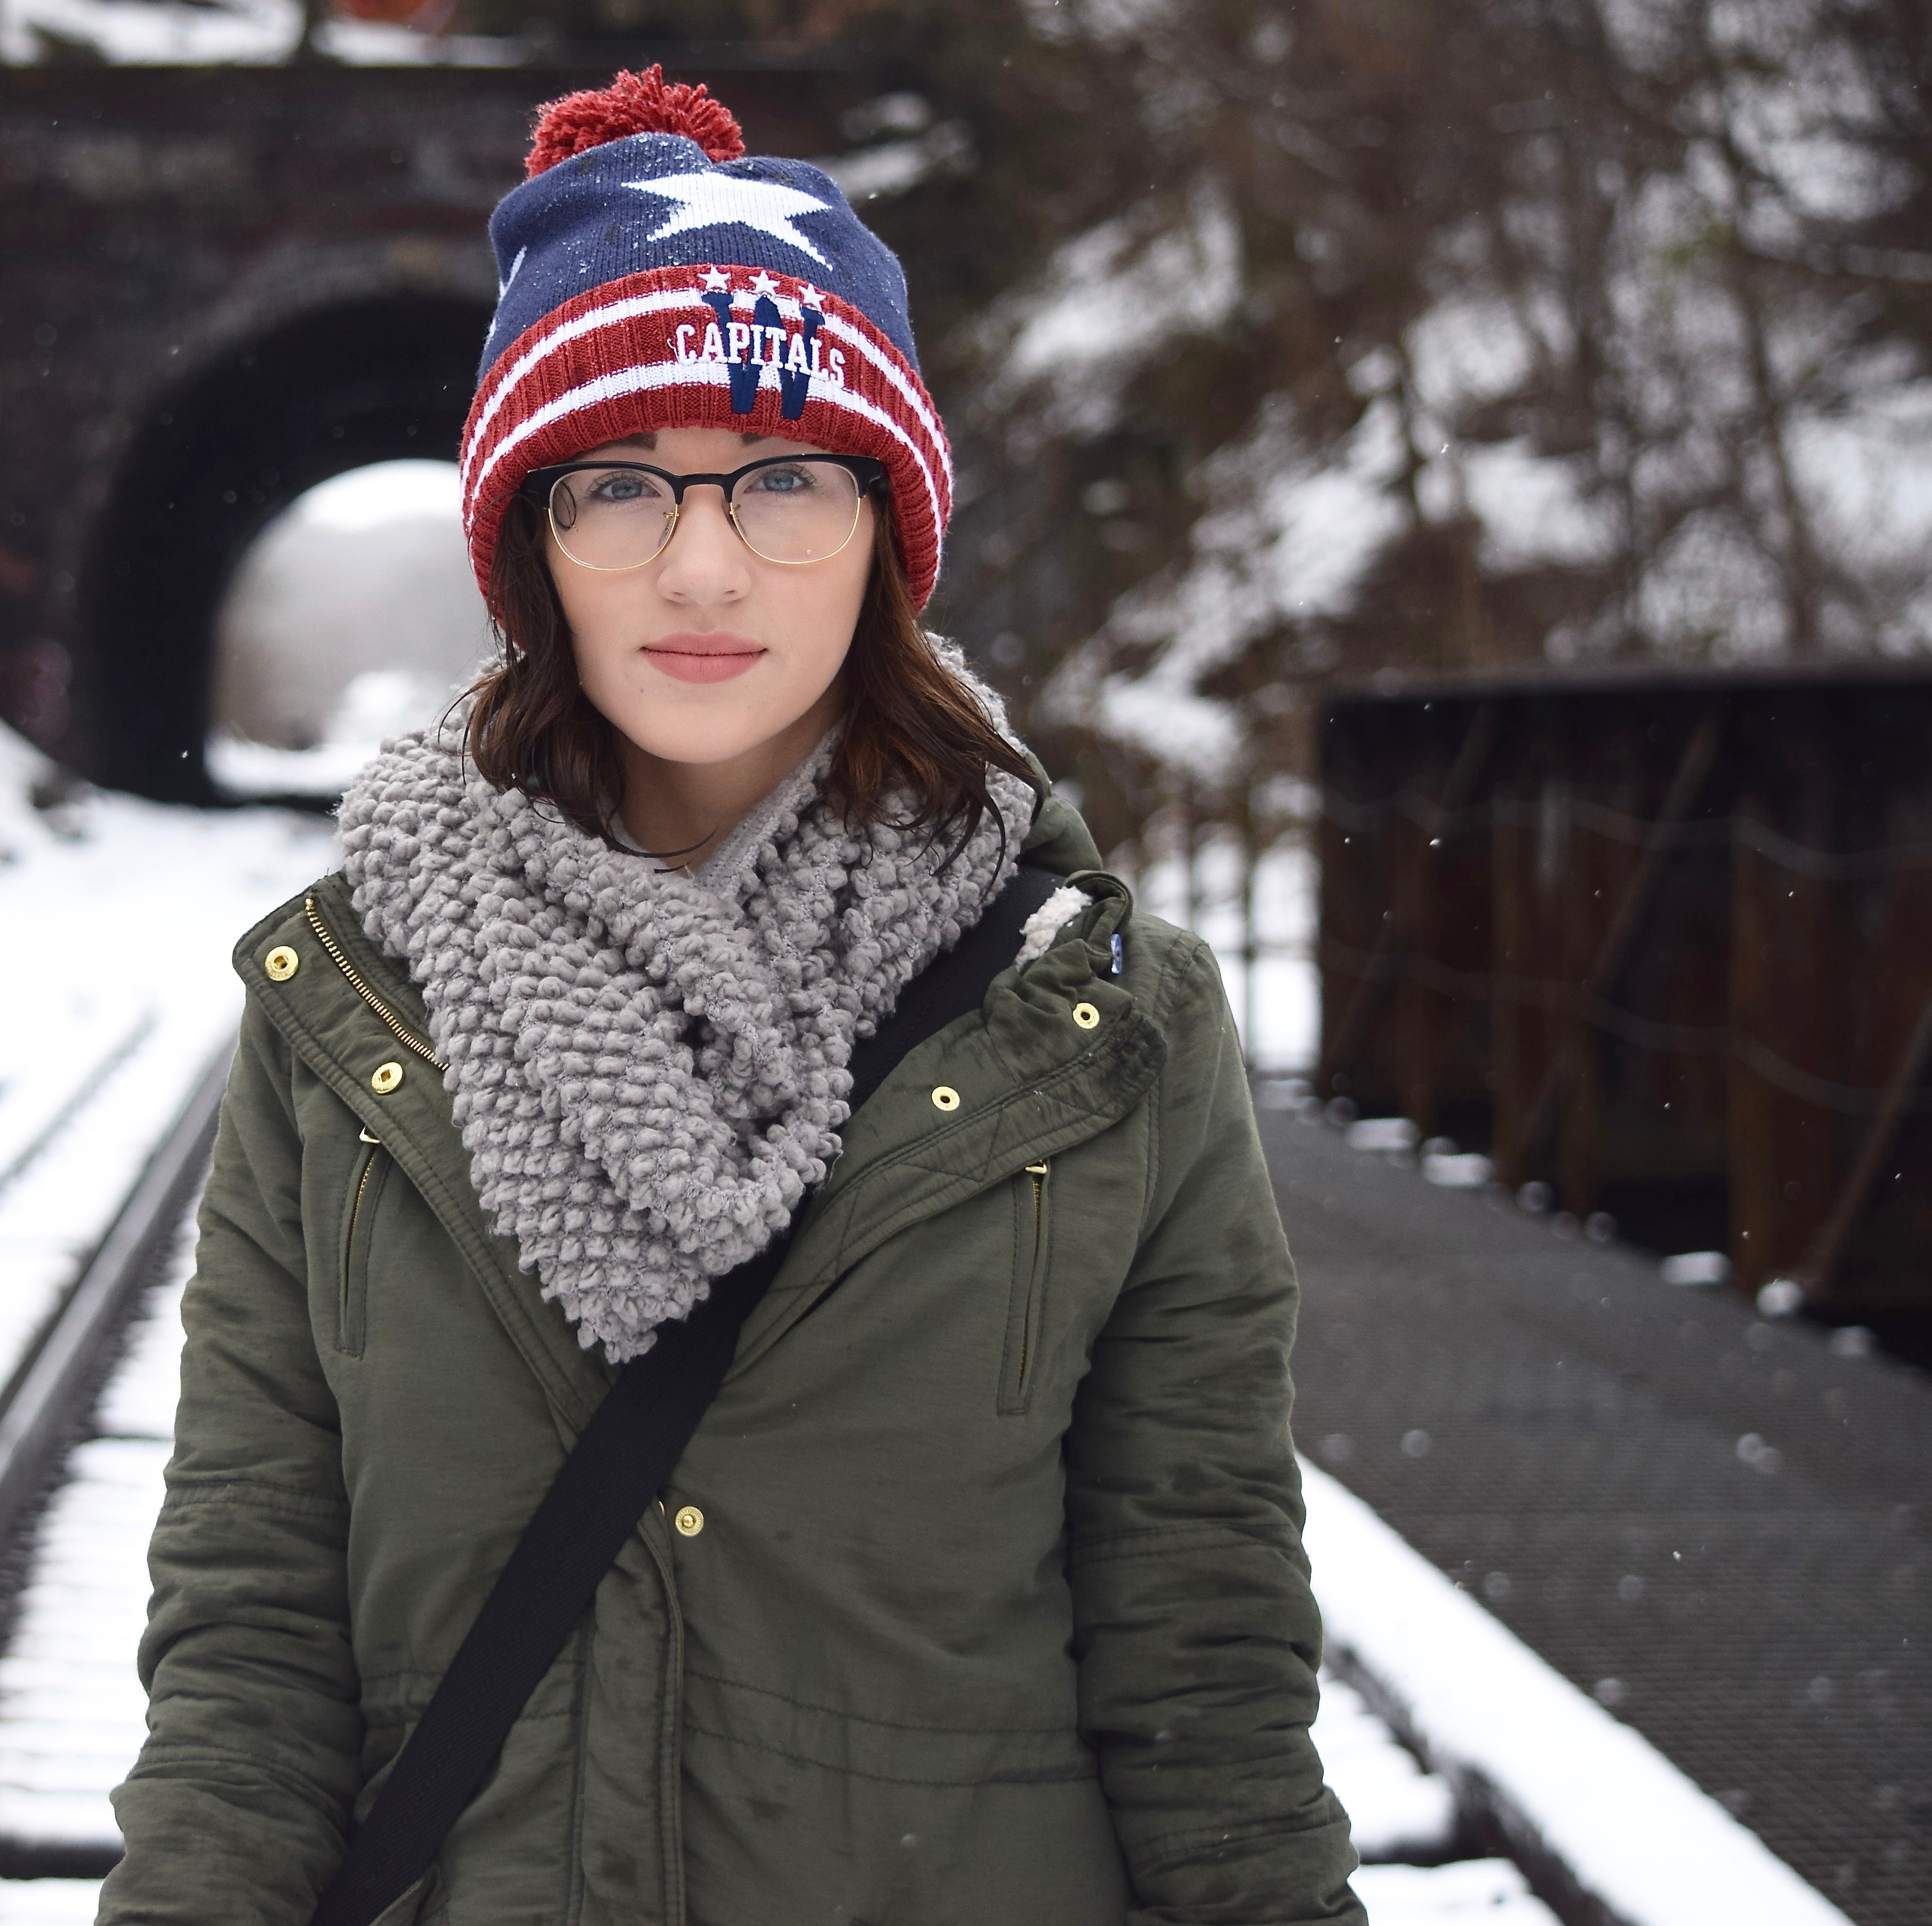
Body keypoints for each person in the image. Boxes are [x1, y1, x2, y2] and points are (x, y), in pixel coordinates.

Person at [101, 68, 1365, 1926]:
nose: (703, 565)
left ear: (888, 533)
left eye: (785, 480)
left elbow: (1208, 1678)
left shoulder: (1100, 1029)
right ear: (533, 542)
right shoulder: (356, 1010)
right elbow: (254, 1646)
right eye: (620, 487)